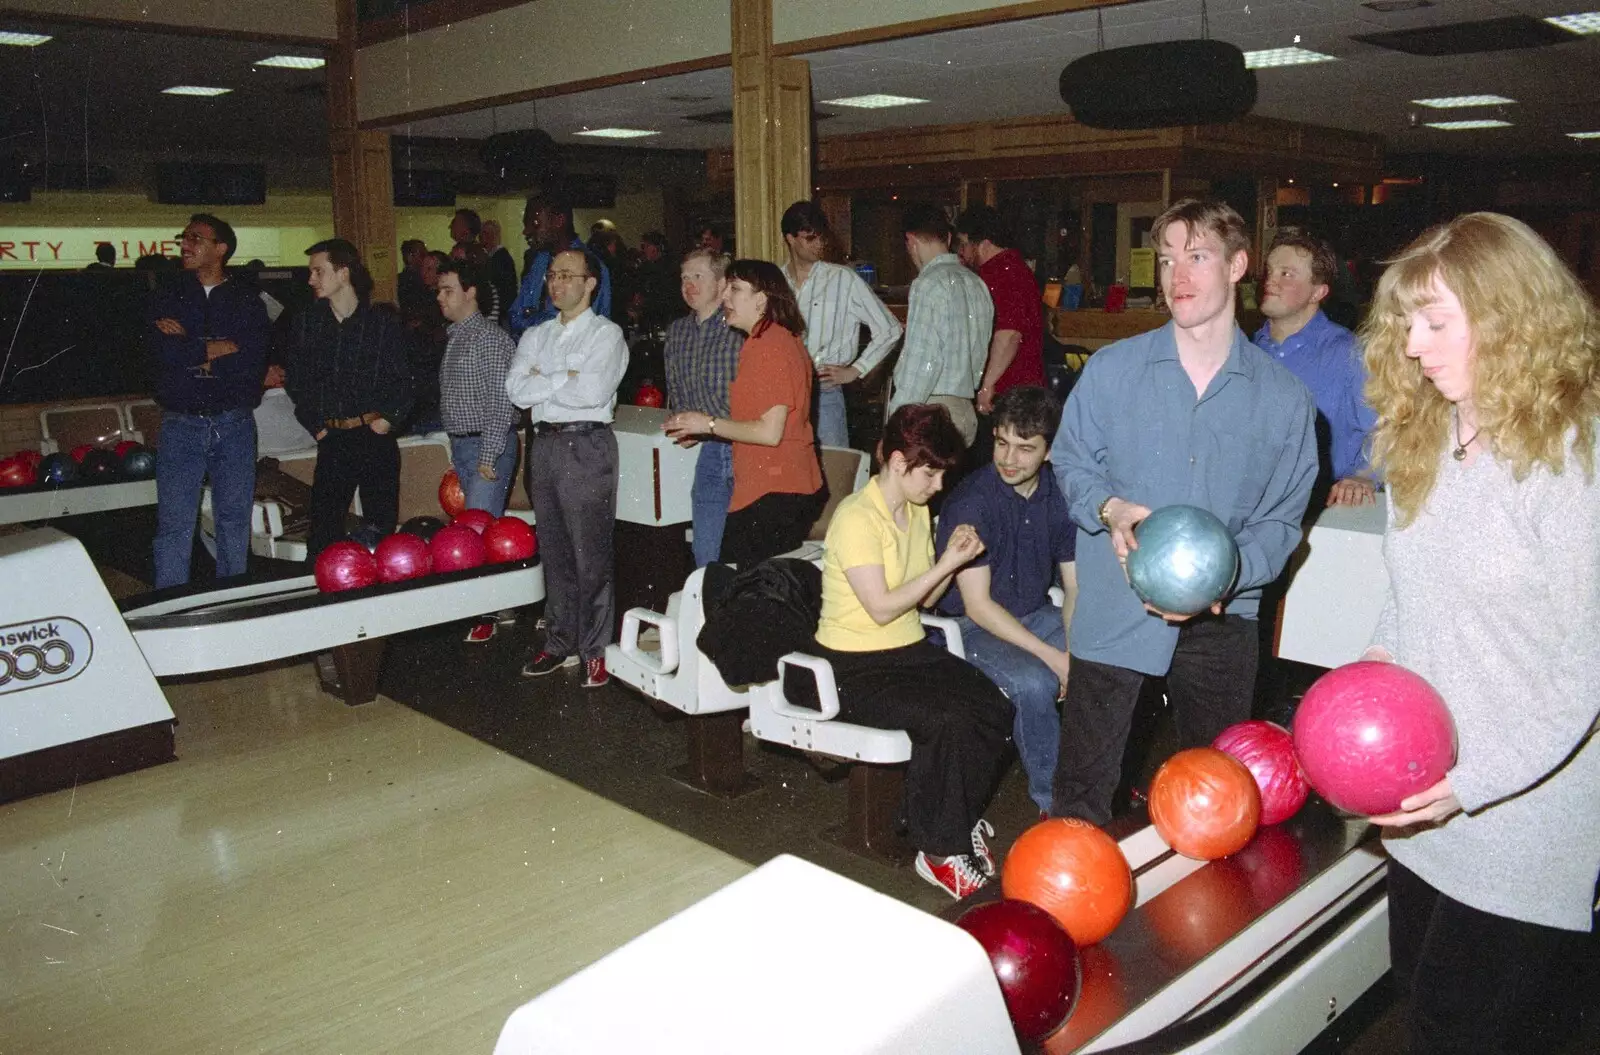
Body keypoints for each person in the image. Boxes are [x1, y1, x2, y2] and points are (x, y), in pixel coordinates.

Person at [1356, 212, 1599, 1055]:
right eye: (1407, 323)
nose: (1414, 345)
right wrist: (1380, 660)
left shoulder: (1572, 458)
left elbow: (1587, 668)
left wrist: (1475, 780)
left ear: (1508, 318)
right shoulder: (1423, 436)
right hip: (1426, 799)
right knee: (1419, 1006)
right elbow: (1409, 592)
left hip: (1522, 810)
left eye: (1435, 322)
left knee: (1466, 1033)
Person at [1049, 199, 1318, 825]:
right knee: (1083, 789)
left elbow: (1280, 523)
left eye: (1197, 257)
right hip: (1118, 601)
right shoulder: (1113, 369)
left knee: (1215, 794)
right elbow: (1071, 461)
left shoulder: (1285, 399)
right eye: (1168, 259)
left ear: (1237, 266)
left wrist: (1222, 580)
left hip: (1224, 615)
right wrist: (1110, 508)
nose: (1178, 277)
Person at [811, 403, 1013, 899]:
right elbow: (880, 609)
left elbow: (922, 600)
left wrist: (952, 561)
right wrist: (946, 562)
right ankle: (939, 850)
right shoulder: (856, 517)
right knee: (945, 720)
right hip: (851, 663)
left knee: (995, 707)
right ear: (897, 462)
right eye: (930, 474)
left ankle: (952, 821)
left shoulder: (917, 510)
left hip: (905, 648)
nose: (937, 487)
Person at [935, 386, 1076, 816]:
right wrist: (1055, 658)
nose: (1009, 460)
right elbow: (977, 606)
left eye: (1025, 449)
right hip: (969, 628)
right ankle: (1054, 806)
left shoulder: (1059, 495)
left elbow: (1075, 588)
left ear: (1049, 452)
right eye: (1002, 444)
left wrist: (1075, 651)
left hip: (1033, 613)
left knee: (1101, 660)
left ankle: (1089, 786)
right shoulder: (972, 502)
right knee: (1035, 683)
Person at [507, 247, 627, 688]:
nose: (556, 284)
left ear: (590, 283)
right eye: (552, 276)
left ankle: (596, 649)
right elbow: (517, 391)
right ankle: (560, 644)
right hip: (545, 445)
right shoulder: (534, 336)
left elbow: (593, 392)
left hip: (586, 444)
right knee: (554, 552)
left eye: (567, 275)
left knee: (590, 553)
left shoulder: (606, 335)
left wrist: (547, 379)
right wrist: (566, 376)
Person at [664, 259, 823, 568]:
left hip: (775, 489)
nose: (725, 298)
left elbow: (768, 432)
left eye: (735, 289)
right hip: (775, 488)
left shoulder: (770, 345)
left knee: (740, 588)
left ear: (761, 300)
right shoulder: (767, 340)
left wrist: (708, 423)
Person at [148, 213, 269, 587]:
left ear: (221, 249)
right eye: (183, 237)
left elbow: (252, 359)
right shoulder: (167, 297)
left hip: (233, 423)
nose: (185, 244)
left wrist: (188, 345)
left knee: (233, 521)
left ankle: (233, 598)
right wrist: (217, 347)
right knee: (174, 523)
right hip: (180, 423)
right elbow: (163, 355)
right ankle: (169, 603)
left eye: (195, 238)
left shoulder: (247, 302)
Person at [284, 238, 415, 557]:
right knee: (323, 534)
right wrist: (316, 425)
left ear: (343, 273)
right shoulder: (307, 323)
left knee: (381, 531)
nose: (311, 279)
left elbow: (407, 380)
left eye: (318, 271)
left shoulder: (381, 323)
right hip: (333, 438)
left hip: (374, 436)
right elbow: (297, 382)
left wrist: (387, 420)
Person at [1254, 229, 1378, 507]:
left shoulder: (1349, 354)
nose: (1270, 280)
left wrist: (1365, 476)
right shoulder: (1247, 352)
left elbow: (1389, 429)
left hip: (1323, 512)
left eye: (1286, 274)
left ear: (1317, 292)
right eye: (1270, 270)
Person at [436, 257, 521, 643]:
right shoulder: (456, 335)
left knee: (477, 531)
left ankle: (484, 612)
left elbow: (501, 404)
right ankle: (497, 605)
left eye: (448, 289)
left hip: (489, 444)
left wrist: (488, 456)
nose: (440, 297)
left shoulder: (489, 338)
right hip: (466, 445)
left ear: (471, 292)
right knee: (479, 530)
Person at [780, 201, 902, 449]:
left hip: (825, 393)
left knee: (834, 471)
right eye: (810, 238)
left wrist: (856, 369)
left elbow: (890, 328)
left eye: (820, 237)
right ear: (790, 239)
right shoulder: (776, 281)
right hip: (784, 393)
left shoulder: (842, 278)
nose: (818, 244)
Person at [659, 247, 742, 567]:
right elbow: (677, 391)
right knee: (707, 553)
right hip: (709, 452)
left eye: (698, 276)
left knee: (745, 548)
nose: (688, 284)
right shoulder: (678, 331)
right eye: (684, 277)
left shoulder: (740, 328)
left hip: (746, 448)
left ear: (723, 285)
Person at [892, 203, 993, 444]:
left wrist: (896, 421)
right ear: (948, 238)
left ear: (911, 241)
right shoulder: (976, 283)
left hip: (932, 413)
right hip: (965, 412)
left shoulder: (928, 283)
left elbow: (923, 361)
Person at [956, 205, 1046, 413]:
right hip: (1017, 389)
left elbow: (1009, 334)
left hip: (1010, 391)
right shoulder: (1012, 269)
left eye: (964, 244)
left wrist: (987, 385)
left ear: (983, 244)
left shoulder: (1004, 274)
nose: (962, 252)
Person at [508, 192, 612, 340]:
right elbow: (514, 315)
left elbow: (571, 329)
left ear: (558, 221)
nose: (526, 231)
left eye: (535, 224)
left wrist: (531, 317)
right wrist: (542, 319)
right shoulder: (539, 261)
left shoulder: (591, 267)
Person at [480, 219, 519, 329]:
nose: (481, 238)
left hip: (501, 316)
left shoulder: (500, 259)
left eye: (484, 233)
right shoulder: (498, 257)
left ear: (493, 235)